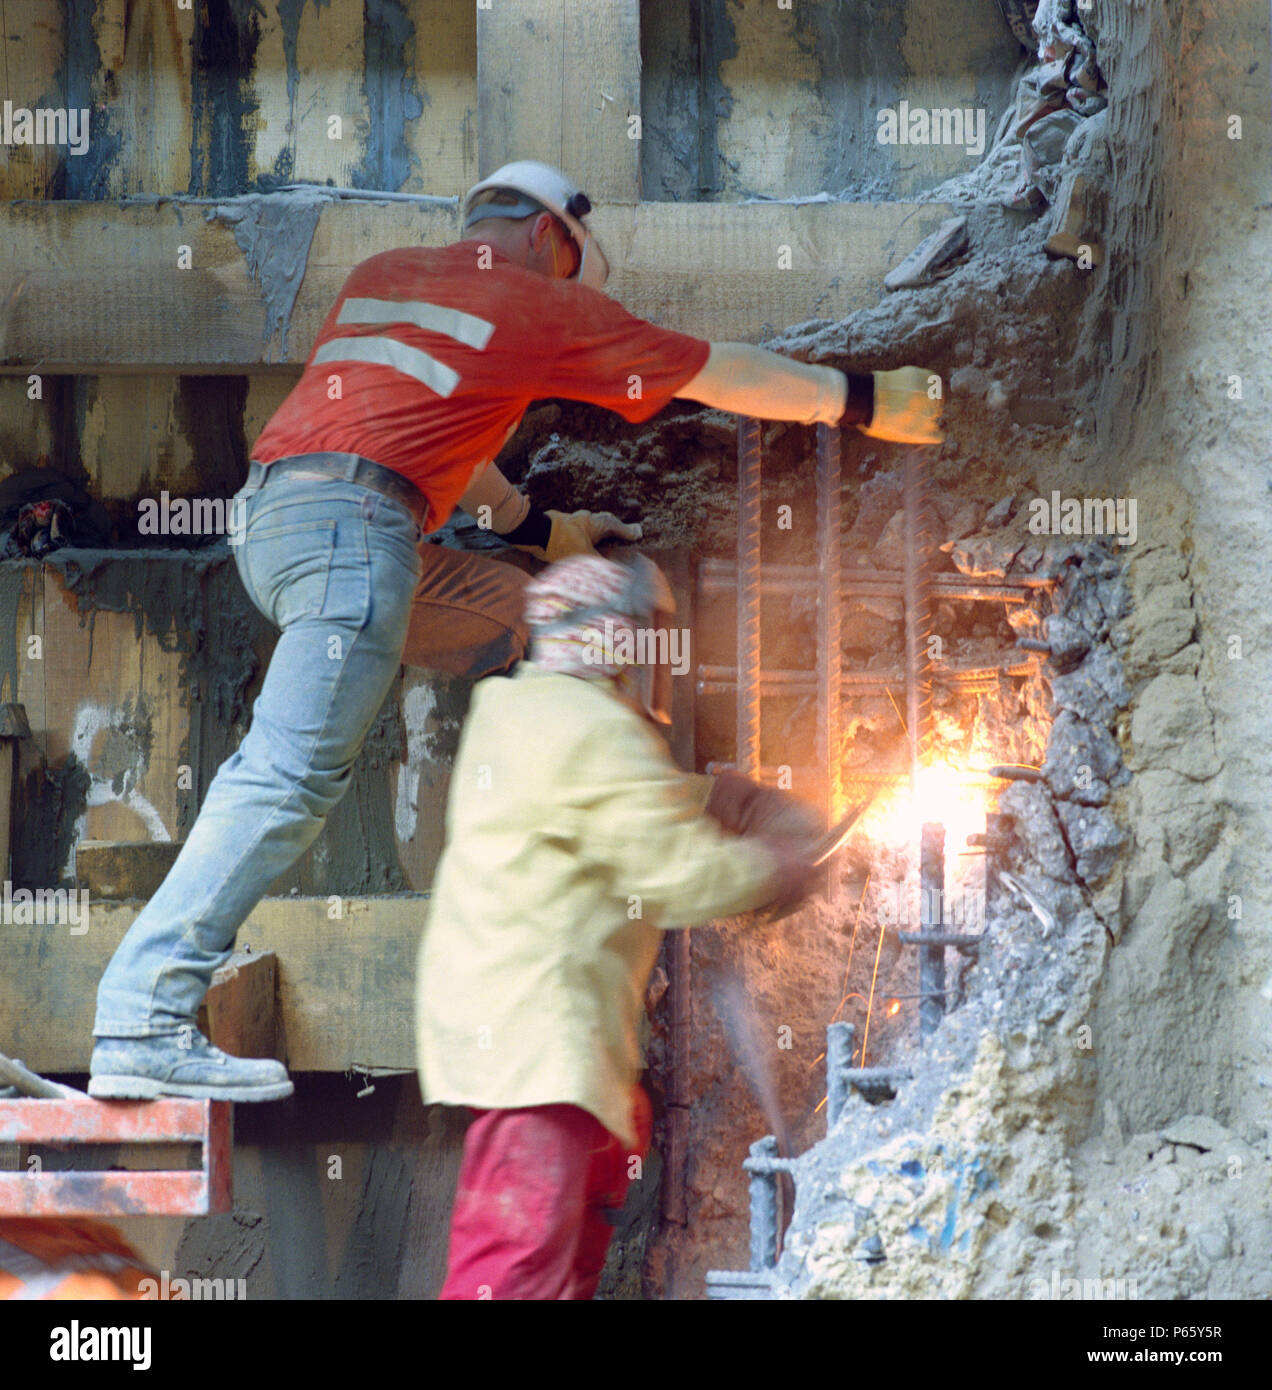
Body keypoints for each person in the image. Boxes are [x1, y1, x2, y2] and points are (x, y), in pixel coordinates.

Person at [90, 160, 942, 1102]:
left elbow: (448, 438)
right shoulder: (538, 300)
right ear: (553, 238)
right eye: (572, 267)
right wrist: (861, 399)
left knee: (527, 620)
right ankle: (144, 1011)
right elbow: (719, 373)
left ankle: (656, 804)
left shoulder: (389, 277)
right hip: (356, 541)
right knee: (286, 776)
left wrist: (547, 533)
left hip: (280, 525)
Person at [418, 553, 823, 1300]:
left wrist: (721, 799)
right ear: (613, 638)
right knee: (515, 1268)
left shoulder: (521, 710)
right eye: (647, 634)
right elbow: (670, 870)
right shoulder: (591, 731)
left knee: (578, 1220)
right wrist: (776, 867)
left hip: (529, 1036)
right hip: (540, 1050)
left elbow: (613, 802)